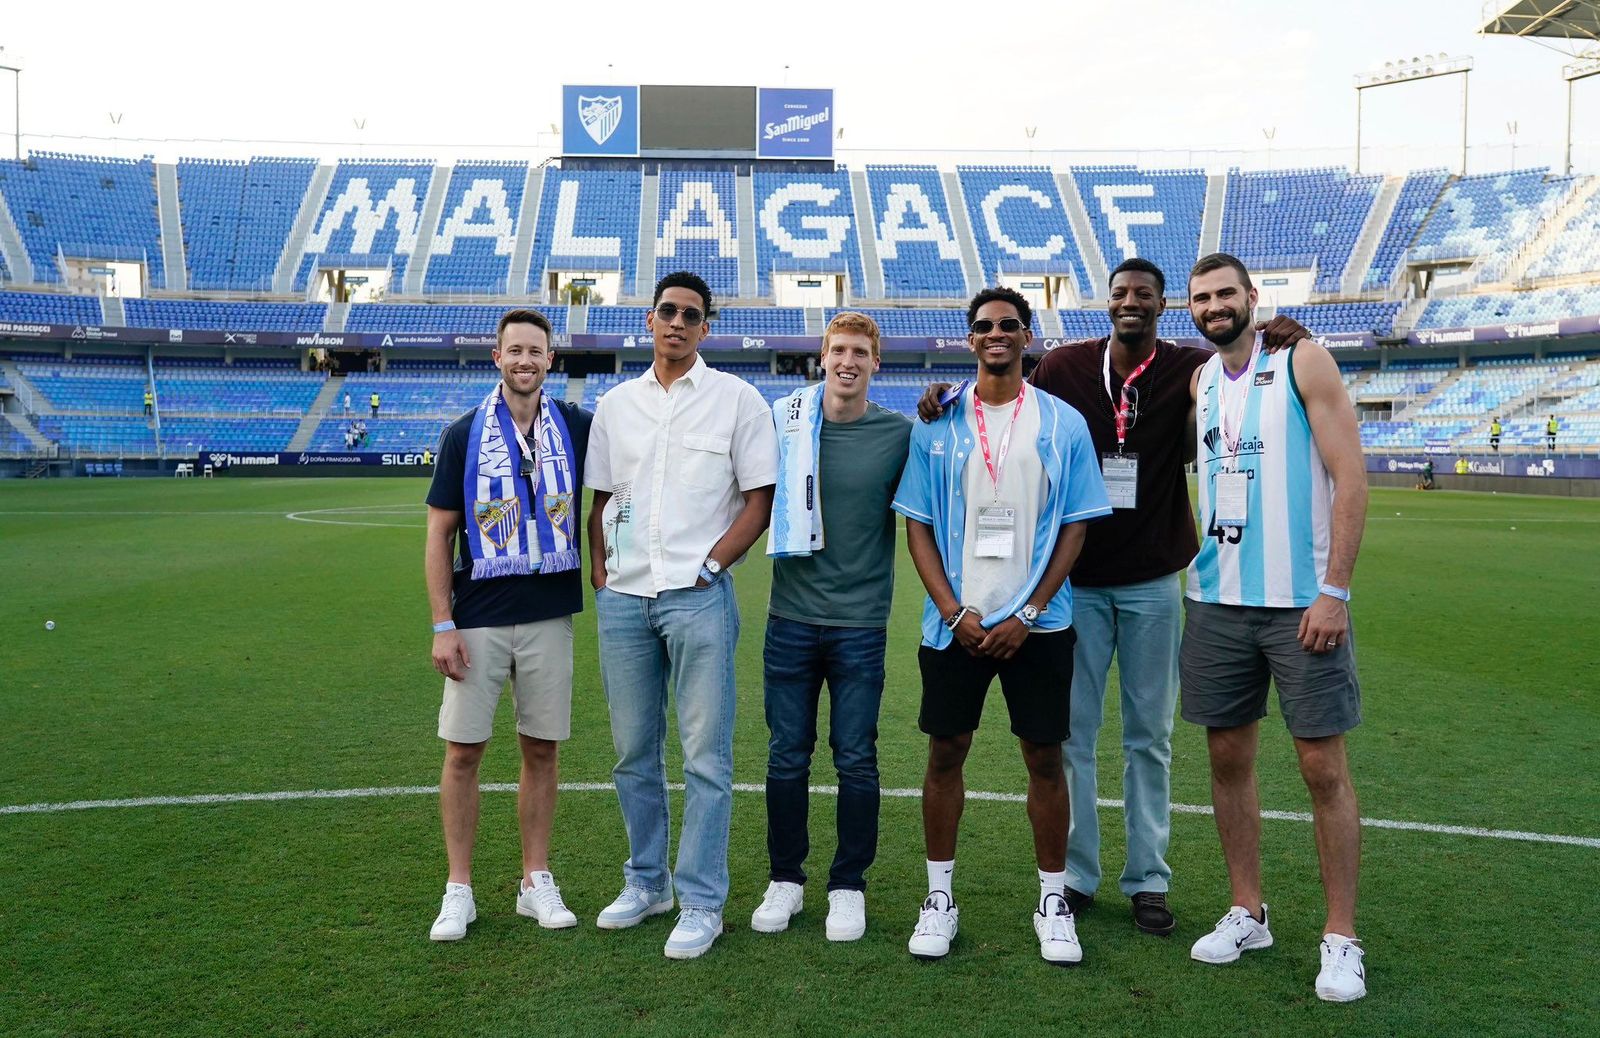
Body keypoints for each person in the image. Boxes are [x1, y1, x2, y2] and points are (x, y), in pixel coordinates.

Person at [915, 260, 1311, 937]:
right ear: (1108, 303)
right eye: (1121, 293)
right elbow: (999, 399)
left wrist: (1284, 336)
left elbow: (1242, 361)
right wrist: (944, 393)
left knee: (1149, 737)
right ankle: (1075, 878)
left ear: (1166, 305)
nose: (1131, 302)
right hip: (1074, 583)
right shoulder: (1066, 366)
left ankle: (1148, 878)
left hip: (1155, 575)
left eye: (1145, 295)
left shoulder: (1189, 365)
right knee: (1069, 738)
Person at [893, 286, 1111, 965]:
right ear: (970, 339)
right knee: (944, 754)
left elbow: (1076, 525)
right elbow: (918, 526)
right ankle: (938, 900)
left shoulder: (1062, 422)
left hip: (1038, 628)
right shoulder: (937, 419)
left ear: (1026, 336)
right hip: (953, 625)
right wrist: (954, 611)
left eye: (1008, 325)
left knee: (1045, 759)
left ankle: (1053, 902)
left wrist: (1031, 610)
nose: (996, 334)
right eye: (984, 326)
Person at [1179, 254, 1370, 1003]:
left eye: (1227, 293)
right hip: (1218, 599)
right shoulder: (1198, 381)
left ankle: (1341, 936)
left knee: (1323, 767)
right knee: (1227, 758)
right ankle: (1248, 910)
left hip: (1302, 603)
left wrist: (1335, 591)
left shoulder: (1303, 359)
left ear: (1252, 298)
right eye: (1202, 298)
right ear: (1191, 310)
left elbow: (1350, 476)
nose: (1215, 305)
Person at [585, 271, 778, 960]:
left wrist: (714, 565)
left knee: (705, 757)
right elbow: (605, 499)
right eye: (667, 311)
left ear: (706, 327)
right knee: (633, 754)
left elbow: (759, 501)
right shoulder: (615, 406)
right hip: (626, 600)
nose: (677, 322)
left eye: (691, 315)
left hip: (698, 598)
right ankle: (647, 883)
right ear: (649, 319)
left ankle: (701, 900)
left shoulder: (738, 400)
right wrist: (602, 574)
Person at [422, 308, 592, 942]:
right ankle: (458, 888)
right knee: (464, 752)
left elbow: (610, 495)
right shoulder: (463, 435)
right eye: (514, 350)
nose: (525, 360)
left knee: (541, 750)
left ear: (551, 360)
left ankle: (534, 880)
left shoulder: (576, 426)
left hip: (549, 615)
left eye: (536, 351)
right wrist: (443, 623)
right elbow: (440, 534)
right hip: (479, 619)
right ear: (498, 358)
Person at [751, 312, 911, 943]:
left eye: (860, 353)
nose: (848, 361)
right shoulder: (785, 423)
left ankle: (848, 885)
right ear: (823, 357)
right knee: (787, 755)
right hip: (789, 618)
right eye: (838, 350)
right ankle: (785, 879)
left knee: (856, 758)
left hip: (860, 624)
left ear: (876, 363)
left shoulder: (899, 434)